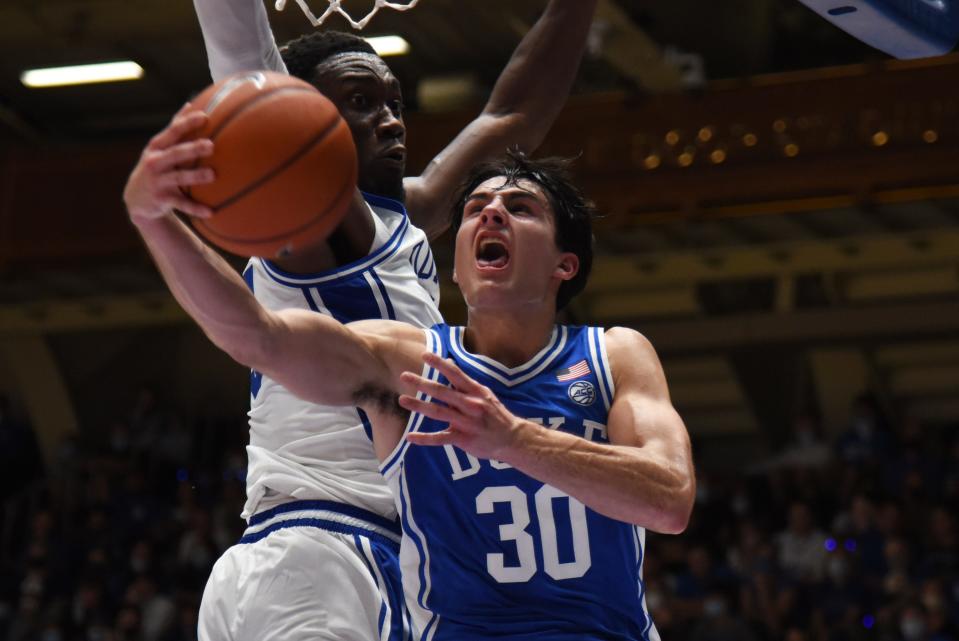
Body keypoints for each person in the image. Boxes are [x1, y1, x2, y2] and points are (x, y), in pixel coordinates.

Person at [139, 2, 598, 638]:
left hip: (365, 551)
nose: (388, 121)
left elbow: (510, 116)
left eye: (393, 103)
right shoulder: (314, 223)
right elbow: (247, 66)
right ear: (302, 124)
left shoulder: (400, 218)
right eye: (360, 102)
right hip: (319, 551)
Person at [125, 144, 696, 639]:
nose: (491, 212)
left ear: (565, 265)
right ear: (457, 271)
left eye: (520, 209)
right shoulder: (409, 362)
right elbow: (258, 337)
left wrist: (514, 440)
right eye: (475, 210)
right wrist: (155, 220)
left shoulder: (614, 353)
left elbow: (669, 500)